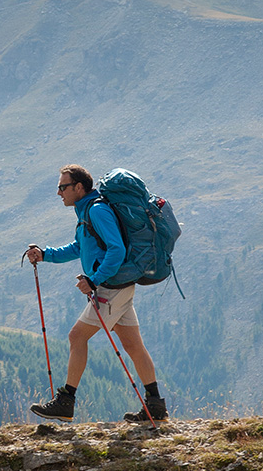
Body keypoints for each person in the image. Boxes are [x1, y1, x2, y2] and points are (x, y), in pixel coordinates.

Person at [25, 164, 167, 422]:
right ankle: (156, 406)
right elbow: (80, 247)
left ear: (79, 187)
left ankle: (66, 401)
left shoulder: (97, 211)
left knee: (77, 336)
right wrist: (45, 255)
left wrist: (94, 279)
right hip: (118, 286)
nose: (59, 193)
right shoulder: (86, 211)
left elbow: (117, 250)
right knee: (133, 345)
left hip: (110, 287)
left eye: (63, 187)